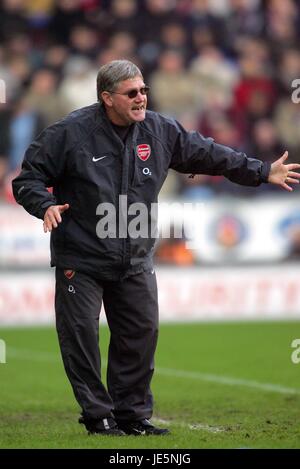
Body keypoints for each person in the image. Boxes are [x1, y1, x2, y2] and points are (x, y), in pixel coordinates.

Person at [12, 60, 300, 437]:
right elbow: (28, 179)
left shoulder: (161, 130)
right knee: (81, 336)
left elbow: (209, 154)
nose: (141, 98)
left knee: (141, 335)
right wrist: (45, 204)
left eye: (144, 90)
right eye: (132, 93)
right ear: (107, 98)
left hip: (135, 256)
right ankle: (97, 415)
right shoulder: (70, 133)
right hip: (81, 256)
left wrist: (261, 171)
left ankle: (131, 416)